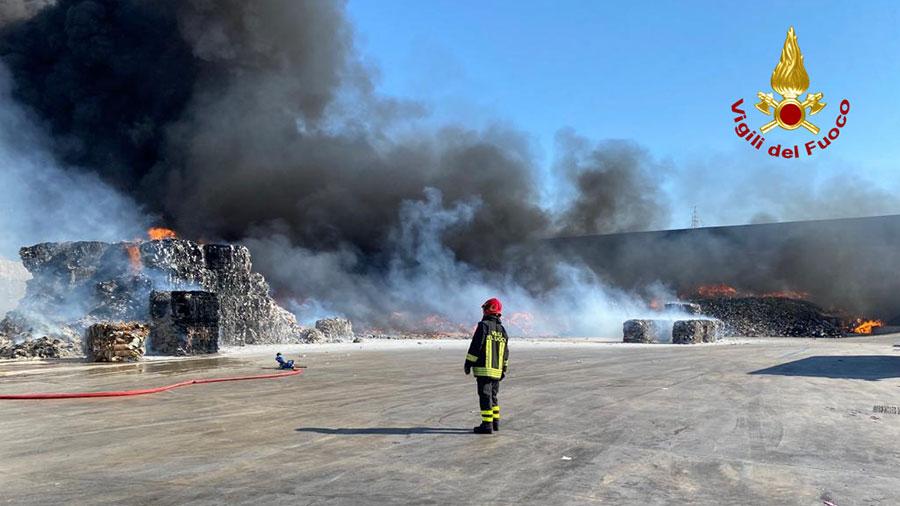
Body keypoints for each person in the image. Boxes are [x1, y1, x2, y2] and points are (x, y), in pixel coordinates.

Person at [464, 297, 509, 434]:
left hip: (484, 370)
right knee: (493, 396)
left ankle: (486, 425)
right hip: (497, 371)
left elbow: (476, 346)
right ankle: (495, 423)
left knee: (485, 397)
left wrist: (468, 363)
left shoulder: (483, 326)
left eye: (484, 308)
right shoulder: (502, 330)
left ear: (488, 309)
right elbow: (505, 353)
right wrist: (504, 369)